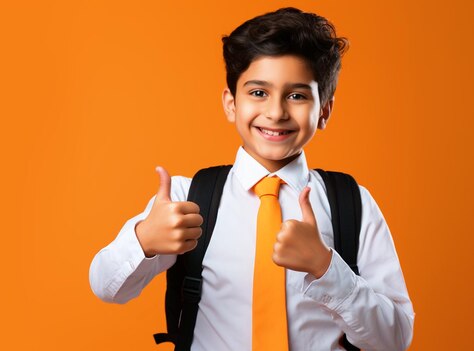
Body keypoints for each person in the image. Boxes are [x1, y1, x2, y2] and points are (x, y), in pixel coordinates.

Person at [89, 7, 414, 351]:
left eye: (298, 95)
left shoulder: (353, 204)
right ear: (231, 104)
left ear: (324, 111)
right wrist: (144, 241)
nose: (276, 112)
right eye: (258, 92)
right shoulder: (187, 199)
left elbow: (395, 340)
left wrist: (325, 267)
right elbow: (106, 288)